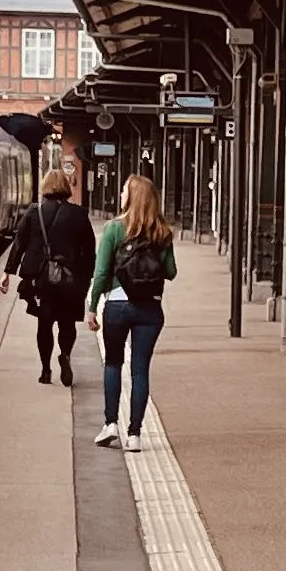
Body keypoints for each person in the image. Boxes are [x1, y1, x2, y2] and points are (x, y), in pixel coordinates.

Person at [86, 170, 176, 451]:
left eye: (125, 189)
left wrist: (91, 307)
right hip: (150, 309)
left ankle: (110, 424)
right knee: (140, 370)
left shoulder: (114, 228)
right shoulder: (162, 232)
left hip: (116, 306)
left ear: (131, 197)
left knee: (113, 363)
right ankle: (135, 434)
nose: (122, 193)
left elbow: (101, 273)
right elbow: (171, 272)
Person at [4, 170, 96, 383]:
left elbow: (19, 244)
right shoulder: (78, 214)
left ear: (44, 186)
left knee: (44, 324)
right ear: (66, 187)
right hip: (70, 279)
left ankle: (46, 370)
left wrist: (8, 272)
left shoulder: (34, 213)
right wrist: (86, 278)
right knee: (67, 323)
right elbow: (89, 250)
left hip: (41, 279)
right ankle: (65, 356)